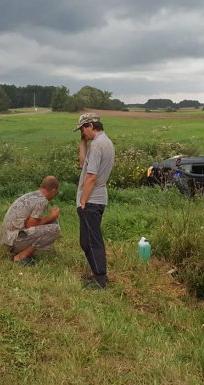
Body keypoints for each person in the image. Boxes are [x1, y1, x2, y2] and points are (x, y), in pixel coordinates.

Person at [74, 112, 115, 289]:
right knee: (86, 240)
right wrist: (83, 141)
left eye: (83, 129)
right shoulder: (101, 143)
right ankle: (96, 274)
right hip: (95, 198)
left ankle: (100, 278)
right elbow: (83, 164)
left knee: (92, 240)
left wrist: (83, 201)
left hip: (92, 199)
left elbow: (91, 176)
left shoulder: (98, 145)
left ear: (90, 126)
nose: (83, 133)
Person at [0, 176, 62, 265]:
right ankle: (20, 257)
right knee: (54, 229)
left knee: (52, 223)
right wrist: (51, 216)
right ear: (53, 190)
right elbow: (30, 225)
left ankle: (22, 252)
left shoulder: (32, 195)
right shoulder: (42, 200)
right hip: (13, 241)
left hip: (7, 238)